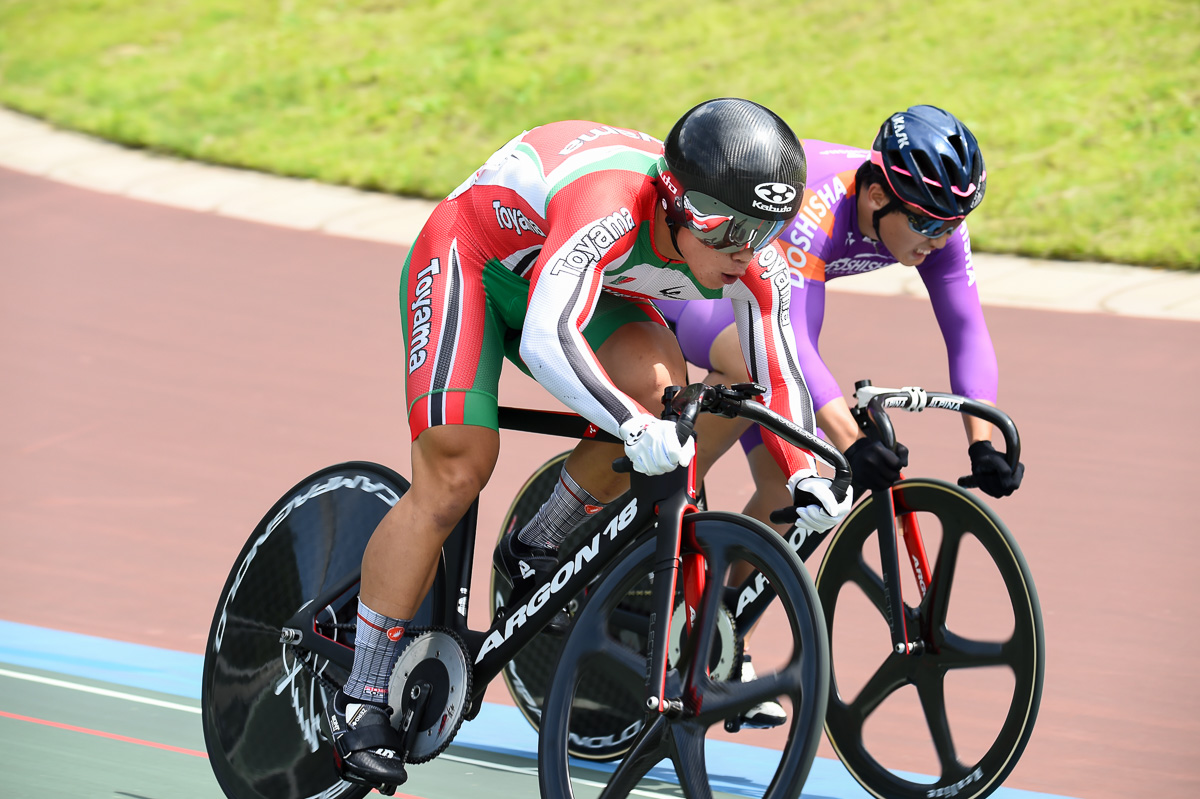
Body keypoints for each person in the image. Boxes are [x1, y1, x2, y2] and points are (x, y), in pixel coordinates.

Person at [327, 97, 853, 788]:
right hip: (474, 262)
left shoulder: (753, 254)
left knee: (667, 393)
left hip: (575, 280)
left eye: (765, 230)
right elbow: (550, 337)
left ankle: (537, 542)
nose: (745, 251)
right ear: (675, 202)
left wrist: (806, 471)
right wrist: (631, 429)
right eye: (729, 230)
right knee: (457, 471)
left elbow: (776, 369)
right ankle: (362, 692)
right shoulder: (610, 203)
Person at [657, 104, 1027, 728]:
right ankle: (664, 501)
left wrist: (983, 440)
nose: (938, 240)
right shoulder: (817, 208)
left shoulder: (927, 218)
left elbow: (966, 330)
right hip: (698, 282)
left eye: (953, 225)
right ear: (879, 194)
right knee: (755, 368)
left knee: (783, 487)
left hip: (760, 303)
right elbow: (793, 342)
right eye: (927, 224)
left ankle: (705, 628)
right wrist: (850, 439)